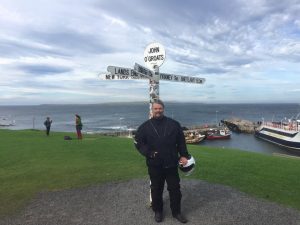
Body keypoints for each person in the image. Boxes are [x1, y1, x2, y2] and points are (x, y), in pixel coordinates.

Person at [134, 99, 189, 223]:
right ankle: (158, 211)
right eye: (155, 109)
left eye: (160, 108)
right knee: (156, 189)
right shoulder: (145, 126)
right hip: (155, 164)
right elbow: (138, 143)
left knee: (175, 190)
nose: (158, 110)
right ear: (152, 110)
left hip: (171, 164)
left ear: (163, 109)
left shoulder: (174, 124)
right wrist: (149, 153)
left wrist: (184, 155)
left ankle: (176, 212)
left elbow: (181, 141)